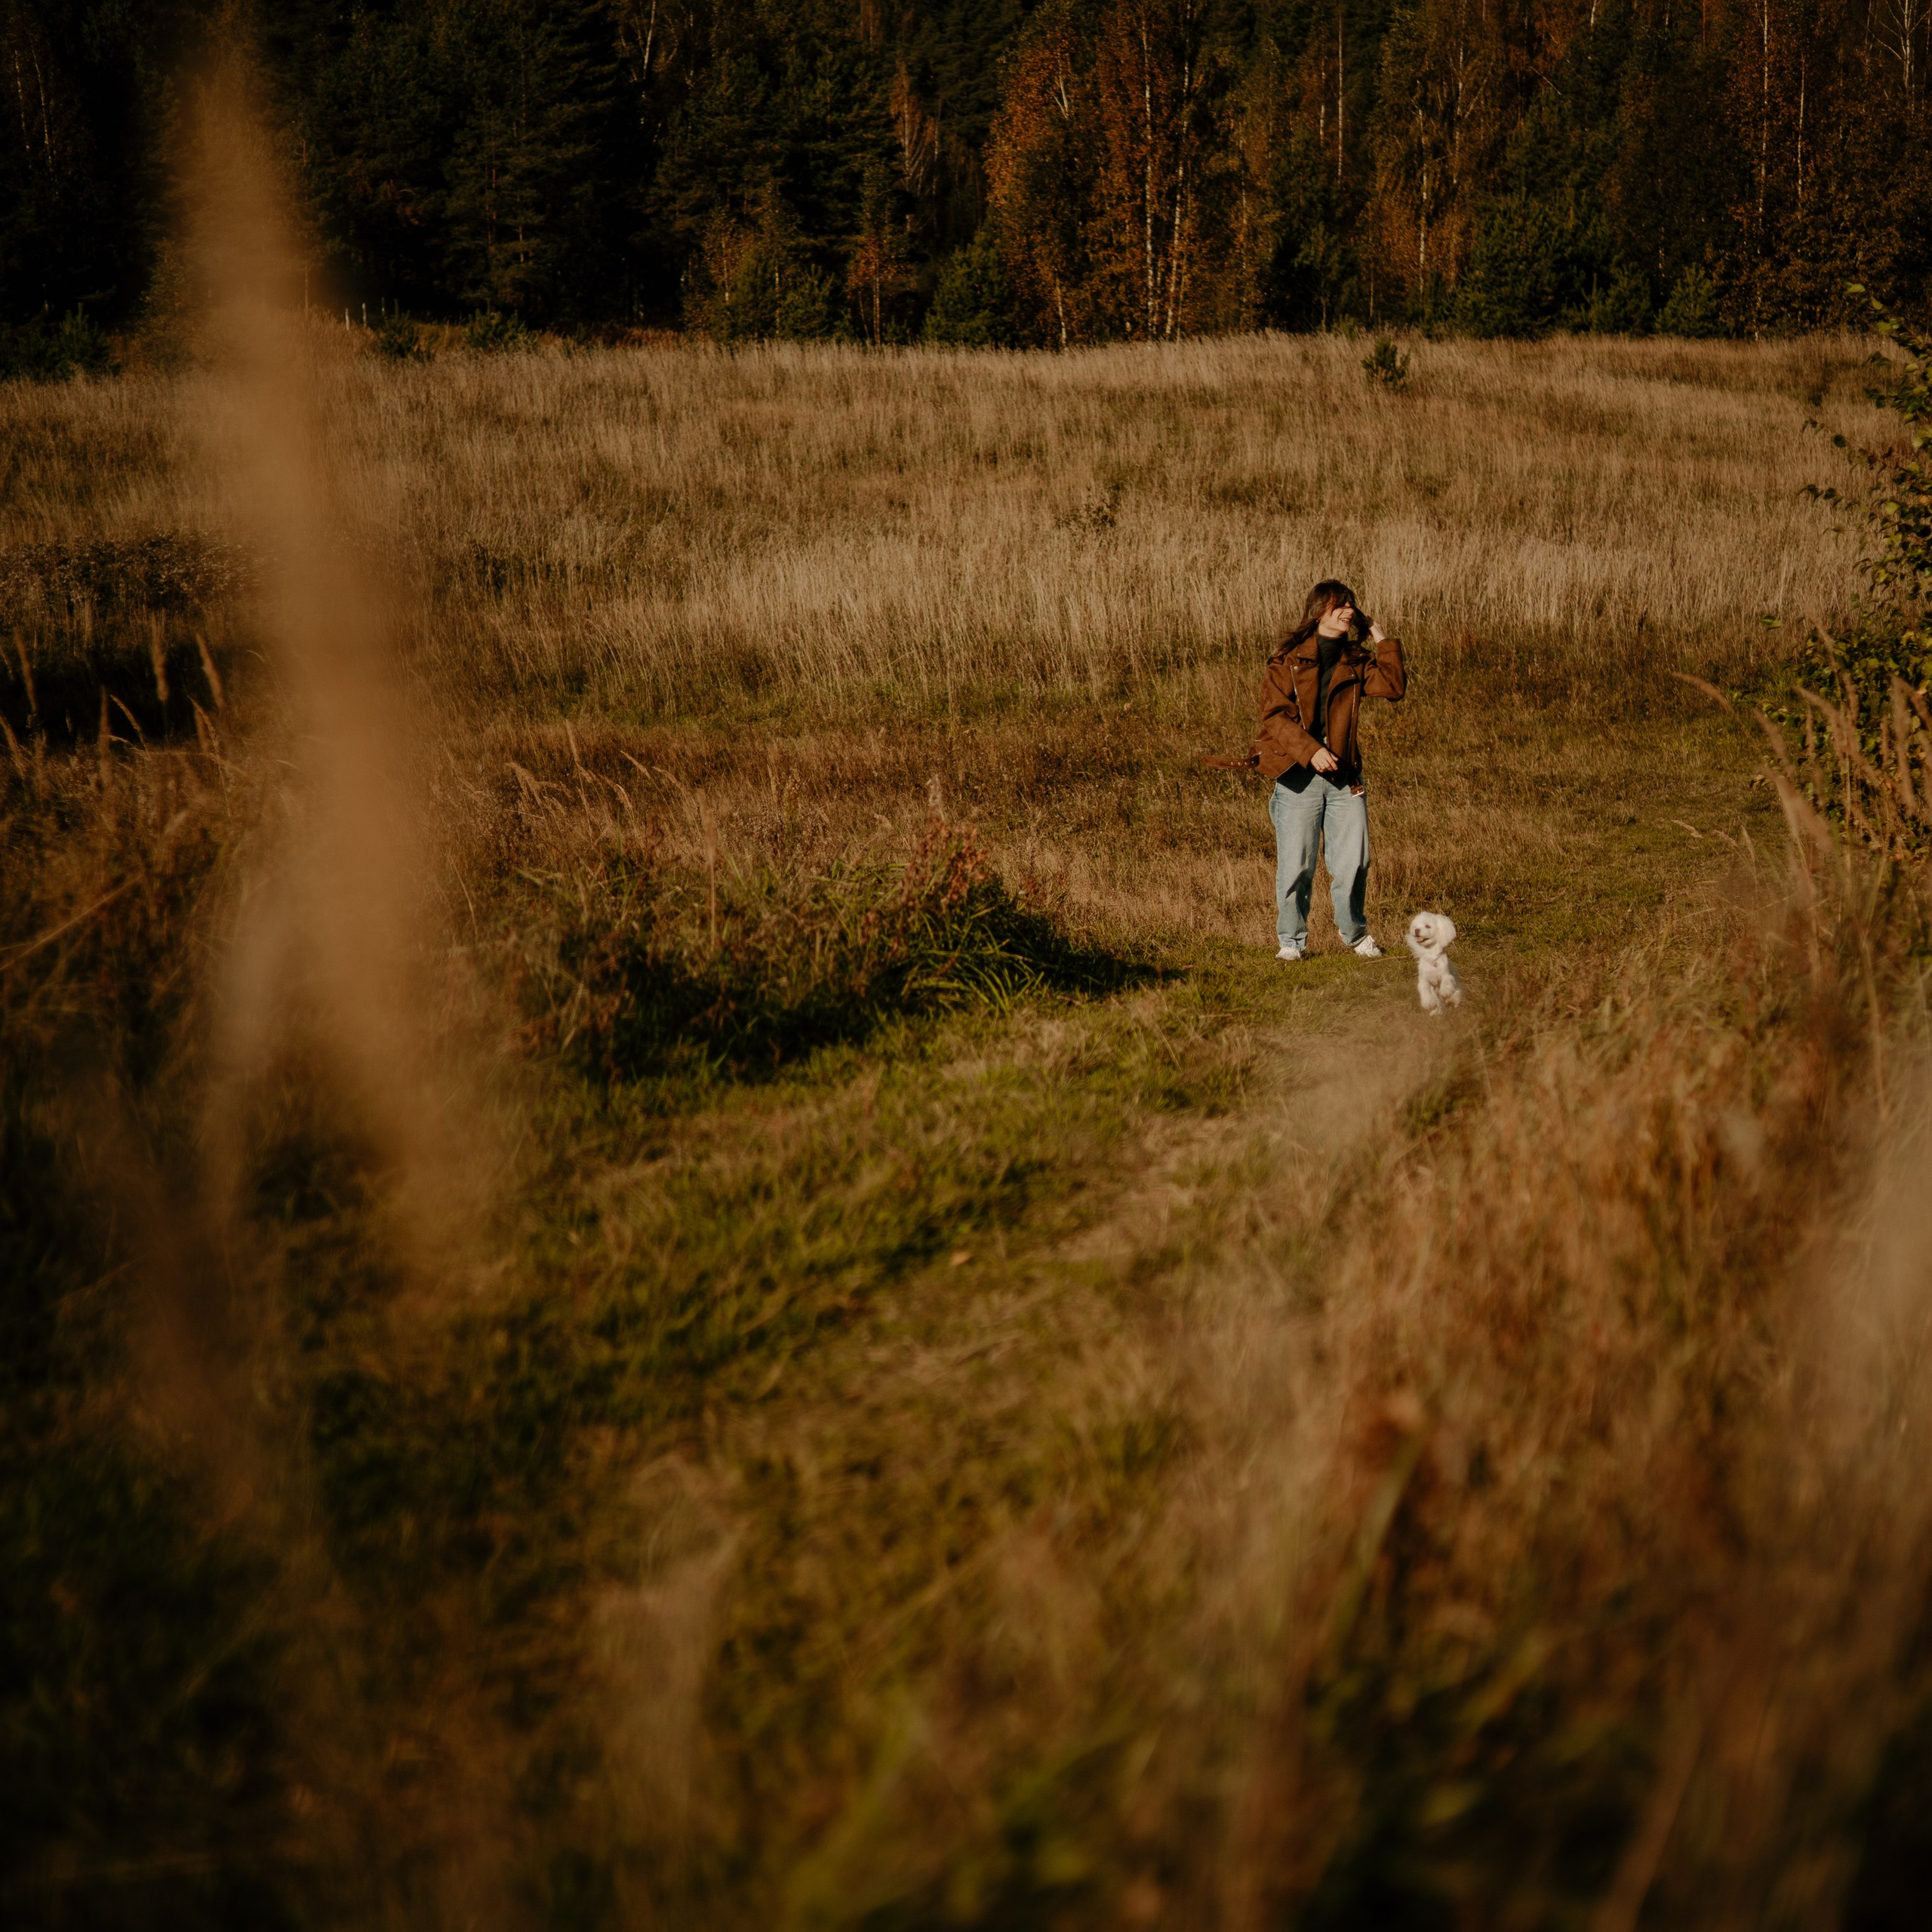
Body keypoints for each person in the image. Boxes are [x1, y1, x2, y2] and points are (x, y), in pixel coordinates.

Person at [1251, 580, 1406, 961]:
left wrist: (1378, 635)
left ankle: (1354, 934)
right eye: (1340, 605)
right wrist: (1311, 751)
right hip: (1297, 776)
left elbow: (1394, 686)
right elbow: (1273, 715)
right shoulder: (1287, 660)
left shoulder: (1356, 661)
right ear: (1320, 610)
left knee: (1355, 860)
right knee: (1296, 864)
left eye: (1351, 604)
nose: (1348, 610)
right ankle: (1291, 940)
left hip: (1344, 778)